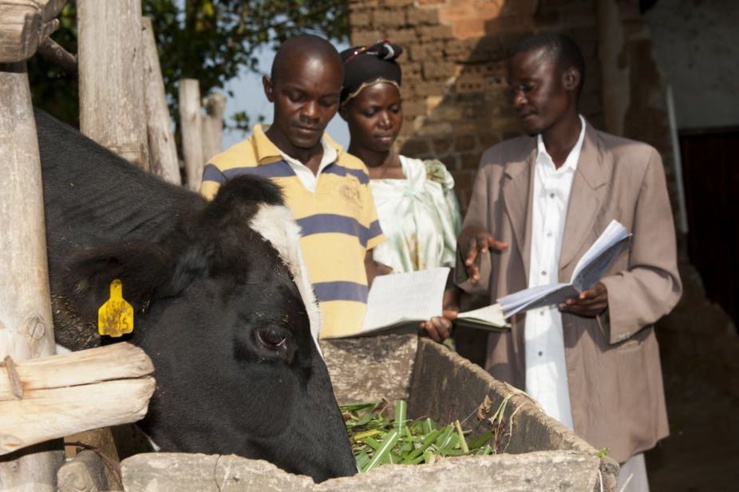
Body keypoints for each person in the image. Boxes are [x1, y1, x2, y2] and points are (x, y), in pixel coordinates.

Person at [457, 32, 681, 491]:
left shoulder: (635, 164)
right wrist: (470, 252)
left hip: (603, 377)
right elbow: (478, 279)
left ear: (570, 80)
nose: (517, 99)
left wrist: (610, 296)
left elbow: (661, 278)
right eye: (512, 89)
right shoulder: (498, 167)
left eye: (528, 86)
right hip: (520, 372)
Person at [200, 34, 385, 339]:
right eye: (297, 97)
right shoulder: (226, 173)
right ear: (269, 89)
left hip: (359, 355)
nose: (312, 113)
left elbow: (366, 265)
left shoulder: (355, 172)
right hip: (279, 366)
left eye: (326, 102)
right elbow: (215, 280)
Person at [338, 40, 463, 343]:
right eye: (372, 111)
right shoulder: (338, 185)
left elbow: (454, 264)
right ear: (344, 112)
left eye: (395, 109)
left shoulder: (430, 180)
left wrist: (446, 313)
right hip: (369, 344)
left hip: (435, 340)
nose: (386, 121)